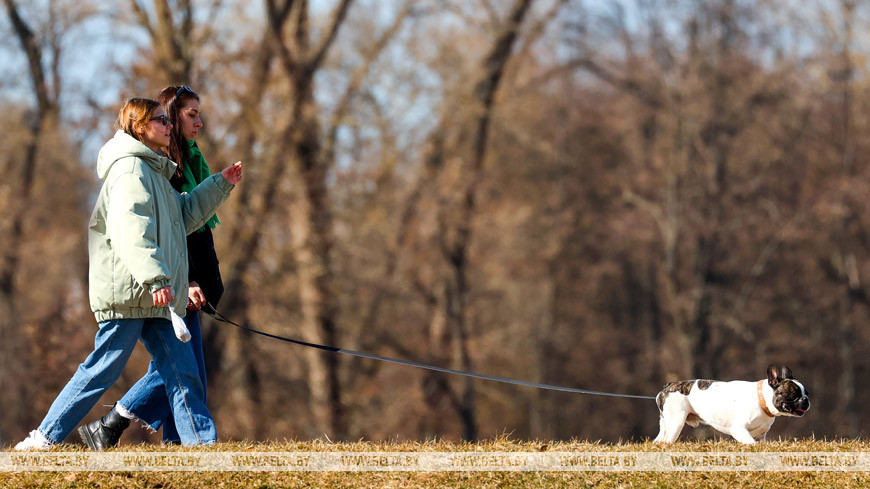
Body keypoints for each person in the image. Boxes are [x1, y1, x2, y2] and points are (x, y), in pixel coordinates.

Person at [14, 97, 243, 450]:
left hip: (155, 296)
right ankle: (43, 438)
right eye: (162, 121)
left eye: (169, 121)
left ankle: (200, 444)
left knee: (184, 373)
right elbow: (130, 232)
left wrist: (218, 184)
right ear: (140, 127)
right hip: (132, 292)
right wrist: (156, 278)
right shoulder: (131, 172)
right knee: (101, 369)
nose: (170, 127)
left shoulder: (154, 170)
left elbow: (181, 217)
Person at [76, 85, 226, 449]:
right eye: (190, 114)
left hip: (188, 273)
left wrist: (222, 183)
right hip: (173, 278)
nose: (199, 123)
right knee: (182, 366)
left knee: (185, 365)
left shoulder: (187, 158)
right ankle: (123, 426)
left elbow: (191, 215)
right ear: (169, 117)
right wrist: (185, 278)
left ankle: (169, 436)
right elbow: (168, 228)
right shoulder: (160, 165)